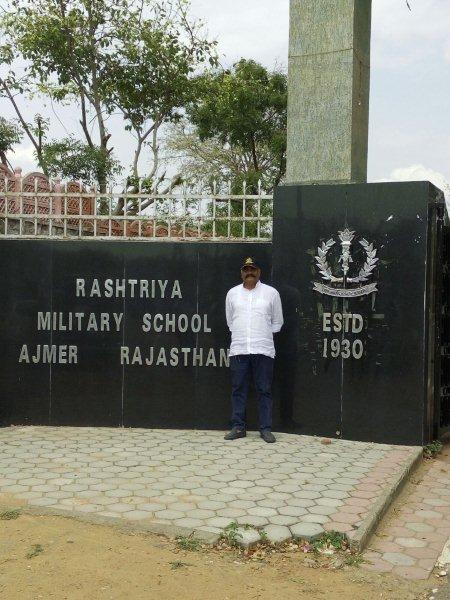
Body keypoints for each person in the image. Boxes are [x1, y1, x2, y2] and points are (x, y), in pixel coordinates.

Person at [224, 257, 284, 443]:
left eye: (253, 269)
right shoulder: (232, 294)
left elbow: (277, 322)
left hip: (263, 349)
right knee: (238, 389)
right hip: (240, 349)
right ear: (241, 273)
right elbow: (230, 322)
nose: (249, 272)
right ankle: (238, 426)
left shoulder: (271, 293)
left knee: (264, 390)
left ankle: (265, 428)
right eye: (246, 269)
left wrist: (262, 334)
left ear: (259, 272)